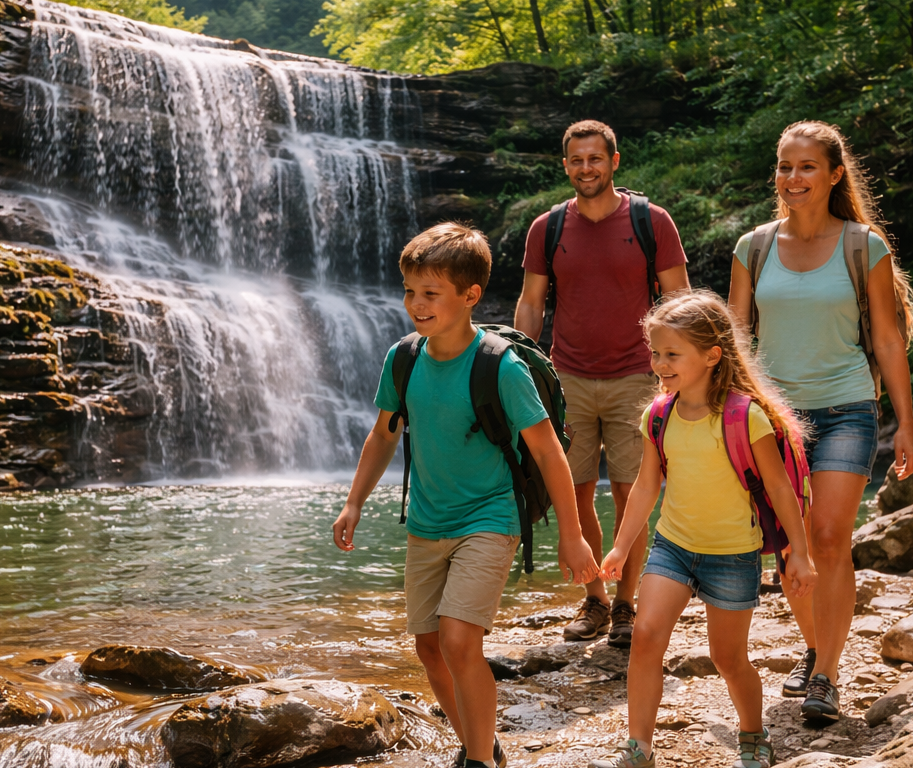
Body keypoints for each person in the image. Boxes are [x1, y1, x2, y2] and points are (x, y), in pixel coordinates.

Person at [333, 223, 599, 768]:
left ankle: (478, 761)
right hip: (427, 523)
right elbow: (383, 434)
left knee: (458, 643)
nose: (416, 304)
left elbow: (550, 454)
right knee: (428, 648)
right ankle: (482, 744)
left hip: (490, 517)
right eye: (410, 291)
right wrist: (354, 500)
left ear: (470, 295)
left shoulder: (501, 366)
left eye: (431, 293)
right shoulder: (403, 358)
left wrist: (571, 538)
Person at [727, 120, 913, 724]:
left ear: (834, 174)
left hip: (847, 408)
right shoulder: (752, 247)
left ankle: (826, 674)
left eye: (806, 166)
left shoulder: (864, 245)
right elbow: (734, 341)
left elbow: (889, 341)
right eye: (785, 167)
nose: (793, 178)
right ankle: (815, 645)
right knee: (792, 549)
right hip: (774, 419)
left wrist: (907, 423)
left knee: (831, 539)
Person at [597, 290, 816, 768]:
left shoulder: (745, 416)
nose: (660, 364)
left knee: (727, 658)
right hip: (672, 546)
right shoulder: (658, 415)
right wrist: (620, 547)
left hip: (733, 555)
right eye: (655, 352)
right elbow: (645, 486)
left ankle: (753, 733)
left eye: (672, 354)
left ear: (712, 356)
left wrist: (798, 553)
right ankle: (639, 748)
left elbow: (781, 492)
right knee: (647, 636)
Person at [514, 120, 690, 647]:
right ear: (564, 165)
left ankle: (626, 604)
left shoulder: (650, 221)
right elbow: (531, 302)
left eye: (595, 159)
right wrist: (521, 364)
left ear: (615, 161)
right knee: (575, 491)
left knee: (634, 491)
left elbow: (678, 297)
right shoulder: (546, 228)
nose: (586, 168)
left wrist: (680, 371)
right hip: (567, 376)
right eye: (576, 160)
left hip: (638, 376)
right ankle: (594, 596)